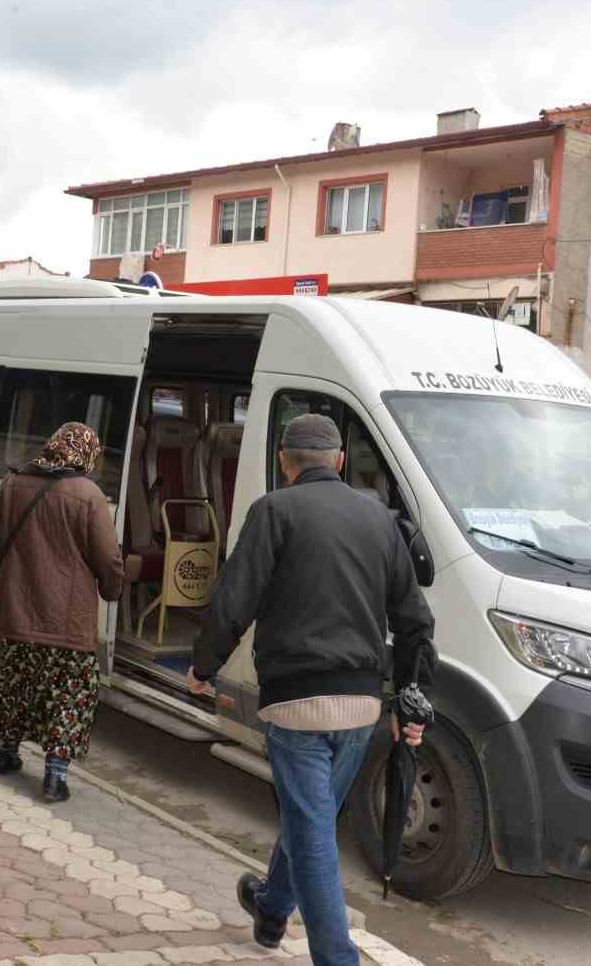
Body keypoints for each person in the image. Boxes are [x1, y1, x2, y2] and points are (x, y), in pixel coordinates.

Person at [188, 413, 434, 966]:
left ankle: (337, 958)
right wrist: (409, 696)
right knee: (312, 819)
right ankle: (272, 909)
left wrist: (204, 667)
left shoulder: (273, 511)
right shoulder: (379, 518)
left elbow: (234, 599)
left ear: (284, 462)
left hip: (295, 703)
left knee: (313, 831)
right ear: (340, 461)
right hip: (361, 706)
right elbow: (415, 620)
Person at [0, 422, 124, 803]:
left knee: (12, 689)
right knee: (68, 695)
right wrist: (112, 588)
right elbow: (108, 558)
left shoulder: (13, 483)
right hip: (67, 626)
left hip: (11, 614)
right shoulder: (89, 495)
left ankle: (6, 755)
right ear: (87, 454)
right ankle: (55, 776)